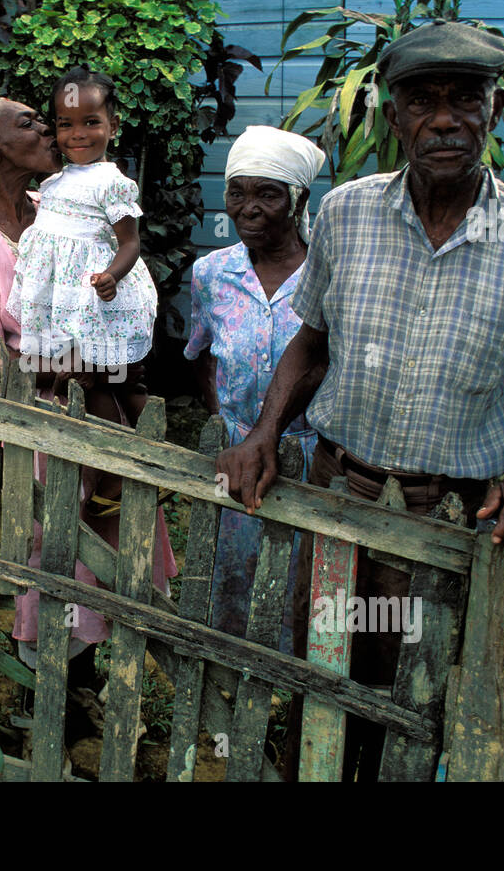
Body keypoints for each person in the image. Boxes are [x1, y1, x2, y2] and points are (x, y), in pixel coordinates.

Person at [215, 20, 504, 779]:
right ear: (393, 116)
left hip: (448, 513)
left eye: (466, 99)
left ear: (492, 110)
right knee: (321, 664)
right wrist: (264, 432)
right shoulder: (346, 214)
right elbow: (310, 341)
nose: (444, 119)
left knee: (414, 689)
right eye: (422, 100)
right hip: (339, 494)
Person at [0, 97, 176, 688]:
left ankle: (104, 684)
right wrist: (76, 364)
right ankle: (55, 696)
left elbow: (127, 273)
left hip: (104, 407)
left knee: (115, 535)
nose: (47, 128)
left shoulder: (70, 205)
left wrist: (114, 345)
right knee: (56, 551)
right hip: (41, 430)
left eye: (46, 119)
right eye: (28, 123)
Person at [183, 126, 326, 649]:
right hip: (238, 453)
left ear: (299, 199)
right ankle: (232, 666)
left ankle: (297, 677)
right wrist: (227, 425)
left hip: (313, 456)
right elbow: (200, 354)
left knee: (305, 579)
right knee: (234, 569)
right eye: (237, 193)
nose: (250, 208)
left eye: (269, 193)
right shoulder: (212, 273)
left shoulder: (327, 274)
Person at [6, 67, 158, 445]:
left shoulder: (112, 183)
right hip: (66, 303)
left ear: (113, 124)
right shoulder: (54, 181)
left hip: (97, 300)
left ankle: (138, 450)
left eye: (91, 122)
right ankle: (106, 465)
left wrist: (112, 276)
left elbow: (130, 243)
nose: (77, 135)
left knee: (111, 379)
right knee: (85, 381)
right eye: (65, 124)